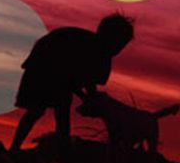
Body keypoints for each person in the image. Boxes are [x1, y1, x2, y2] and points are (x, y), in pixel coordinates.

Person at [9, 13, 134, 152]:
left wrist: (91, 98)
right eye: (119, 44)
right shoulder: (86, 46)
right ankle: (18, 148)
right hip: (44, 65)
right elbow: (71, 78)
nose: (119, 50)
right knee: (41, 109)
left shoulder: (101, 54)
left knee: (57, 109)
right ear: (110, 38)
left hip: (54, 68)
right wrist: (86, 98)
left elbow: (88, 81)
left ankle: (59, 149)